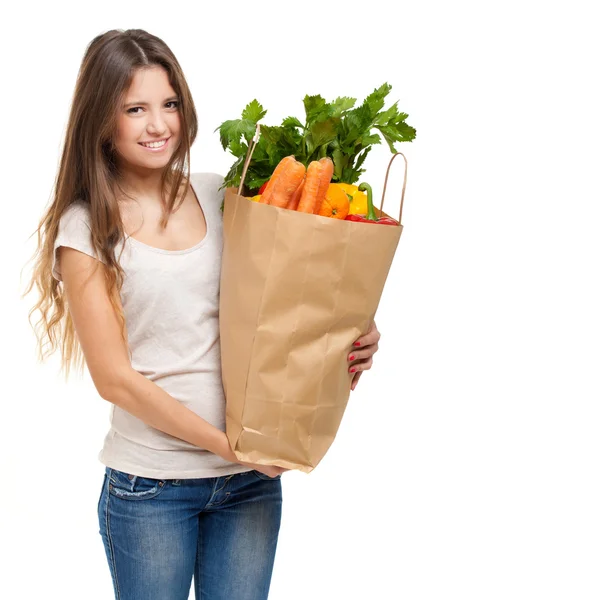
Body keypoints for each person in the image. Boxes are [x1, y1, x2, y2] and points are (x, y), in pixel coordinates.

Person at [23, 28, 382, 600]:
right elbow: (114, 379)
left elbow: (283, 310)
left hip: (248, 487)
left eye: (169, 104)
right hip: (152, 488)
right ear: (102, 121)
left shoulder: (224, 194)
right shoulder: (86, 228)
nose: (159, 124)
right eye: (135, 109)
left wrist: (349, 337)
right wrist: (229, 447)